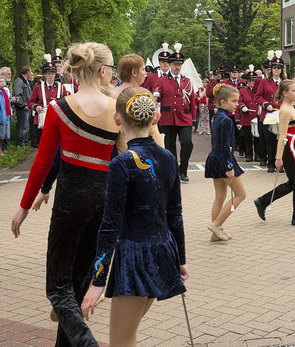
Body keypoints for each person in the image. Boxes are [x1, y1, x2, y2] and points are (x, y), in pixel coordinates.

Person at [11, 42, 119, 346]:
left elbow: (43, 162)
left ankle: (86, 343)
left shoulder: (59, 108)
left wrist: (24, 205)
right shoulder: (117, 109)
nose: (112, 73)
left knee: (58, 288)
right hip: (104, 198)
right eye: (111, 68)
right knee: (77, 283)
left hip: (70, 199)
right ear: (102, 70)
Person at [77, 87, 186, 346]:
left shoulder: (122, 163)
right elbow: (175, 214)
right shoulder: (168, 157)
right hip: (162, 252)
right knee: (128, 335)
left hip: (134, 259)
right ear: (155, 118)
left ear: (117, 118)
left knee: (121, 341)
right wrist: (180, 259)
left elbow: (110, 224)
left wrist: (98, 281)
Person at [253, 80, 295, 226]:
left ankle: (263, 201)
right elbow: (282, 136)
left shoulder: (291, 106)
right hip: (289, 150)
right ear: (285, 93)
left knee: (294, 183)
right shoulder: (285, 110)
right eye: (294, 90)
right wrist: (278, 158)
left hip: (293, 147)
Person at [205, 84, 247, 241]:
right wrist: (229, 167)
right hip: (224, 160)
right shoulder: (227, 120)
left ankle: (216, 233)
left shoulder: (216, 116)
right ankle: (216, 225)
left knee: (220, 196)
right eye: (234, 101)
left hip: (214, 158)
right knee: (241, 194)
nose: (237, 104)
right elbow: (225, 146)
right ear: (223, 102)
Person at [154, 44, 196, 183]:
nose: (177, 67)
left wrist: (194, 120)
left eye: (179, 64)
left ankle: (183, 170)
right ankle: (173, 171)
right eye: (175, 64)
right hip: (168, 118)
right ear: (170, 65)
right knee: (170, 146)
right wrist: (156, 95)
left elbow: (192, 101)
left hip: (185, 117)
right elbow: (157, 96)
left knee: (187, 143)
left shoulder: (187, 81)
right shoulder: (162, 80)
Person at [113, 54, 165, 153]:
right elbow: (153, 129)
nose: (145, 73)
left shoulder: (112, 94)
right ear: (134, 72)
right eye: (143, 69)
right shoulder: (144, 95)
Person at [256, 54, 286, 173]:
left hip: (282, 114)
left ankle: (280, 163)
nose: (276, 70)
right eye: (274, 67)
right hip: (269, 114)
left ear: (282, 69)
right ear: (271, 69)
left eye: (279, 68)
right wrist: (265, 104)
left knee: (281, 140)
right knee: (270, 140)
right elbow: (258, 96)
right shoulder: (264, 81)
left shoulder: (285, 82)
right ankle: (270, 163)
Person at [28, 55, 66, 146]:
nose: (51, 76)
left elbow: (66, 102)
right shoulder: (38, 87)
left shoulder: (61, 86)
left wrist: (58, 101)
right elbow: (30, 102)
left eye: (52, 73)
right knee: (43, 144)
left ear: (55, 74)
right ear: (44, 75)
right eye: (48, 73)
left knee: (56, 144)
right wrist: (36, 107)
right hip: (42, 119)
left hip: (57, 119)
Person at [236, 73, 258, 161]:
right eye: (249, 81)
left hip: (256, 116)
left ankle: (258, 155)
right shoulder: (242, 91)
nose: (251, 82)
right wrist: (242, 106)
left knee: (257, 137)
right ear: (247, 82)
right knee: (247, 137)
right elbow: (239, 100)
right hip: (247, 116)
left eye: (253, 81)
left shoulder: (259, 90)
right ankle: (249, 155)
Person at [12, 66, 33, 146]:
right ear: (27, 72)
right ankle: (20, 143)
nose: (31, 73)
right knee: (22, 125)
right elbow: (17, 95)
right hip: (22, 108)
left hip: (27, 107)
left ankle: (25, 142)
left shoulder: (25, 81)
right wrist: (23, 105)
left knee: (26, 125)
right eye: (30, 71)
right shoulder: (19, 81)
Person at [0, 77, 11, 153]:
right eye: (0, 81)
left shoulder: (5, 91)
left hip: (7, 114)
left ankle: (4, 148)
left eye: (4, 81)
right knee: (1, 134)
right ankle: (0, 151)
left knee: (5, 134)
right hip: (2, 115)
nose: (2, 83)